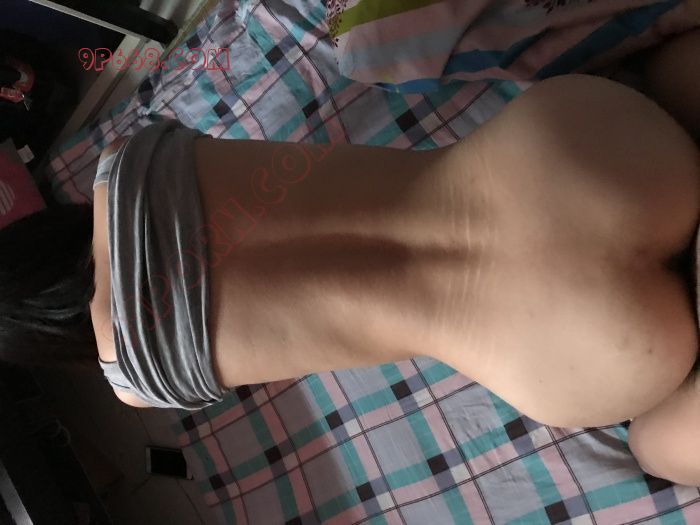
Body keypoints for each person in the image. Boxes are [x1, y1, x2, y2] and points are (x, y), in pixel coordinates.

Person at [1, 30, 698, 485]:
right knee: (670, 77)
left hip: (569, 343)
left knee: (652, 449)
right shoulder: (122, 158)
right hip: (568, 160)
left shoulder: (135, 383)